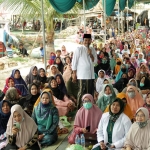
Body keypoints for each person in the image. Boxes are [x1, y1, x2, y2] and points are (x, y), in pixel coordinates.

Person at [72, 34, 97, 108]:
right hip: (82, 75)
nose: (87, 42)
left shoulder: (93, 49)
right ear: (83, 41)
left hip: (91, 75)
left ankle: (89, 108)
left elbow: (95, 62)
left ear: (91, 41)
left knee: (90, 92)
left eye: (89, 40)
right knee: (82, 91)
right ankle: (79, 108)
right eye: (85, 40)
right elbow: (74, 62)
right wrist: (74, 74)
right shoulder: (79, 49)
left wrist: (91, 54)